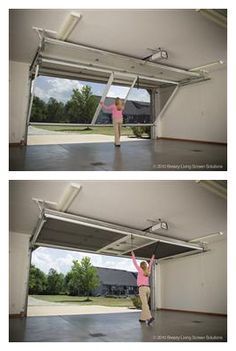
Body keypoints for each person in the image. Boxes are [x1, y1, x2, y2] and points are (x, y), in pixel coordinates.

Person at [131, 250, 155, 325]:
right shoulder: (148, 270)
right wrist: (153, 257)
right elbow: (150, 263)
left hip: (142, 289)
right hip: (148, 289)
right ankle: (142, 319)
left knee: (144, 304)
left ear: (141, 266)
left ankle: (149, 317)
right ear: (146, 265)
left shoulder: (140, 270)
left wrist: (132, 254)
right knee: (145, 304)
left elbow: (134, 262)